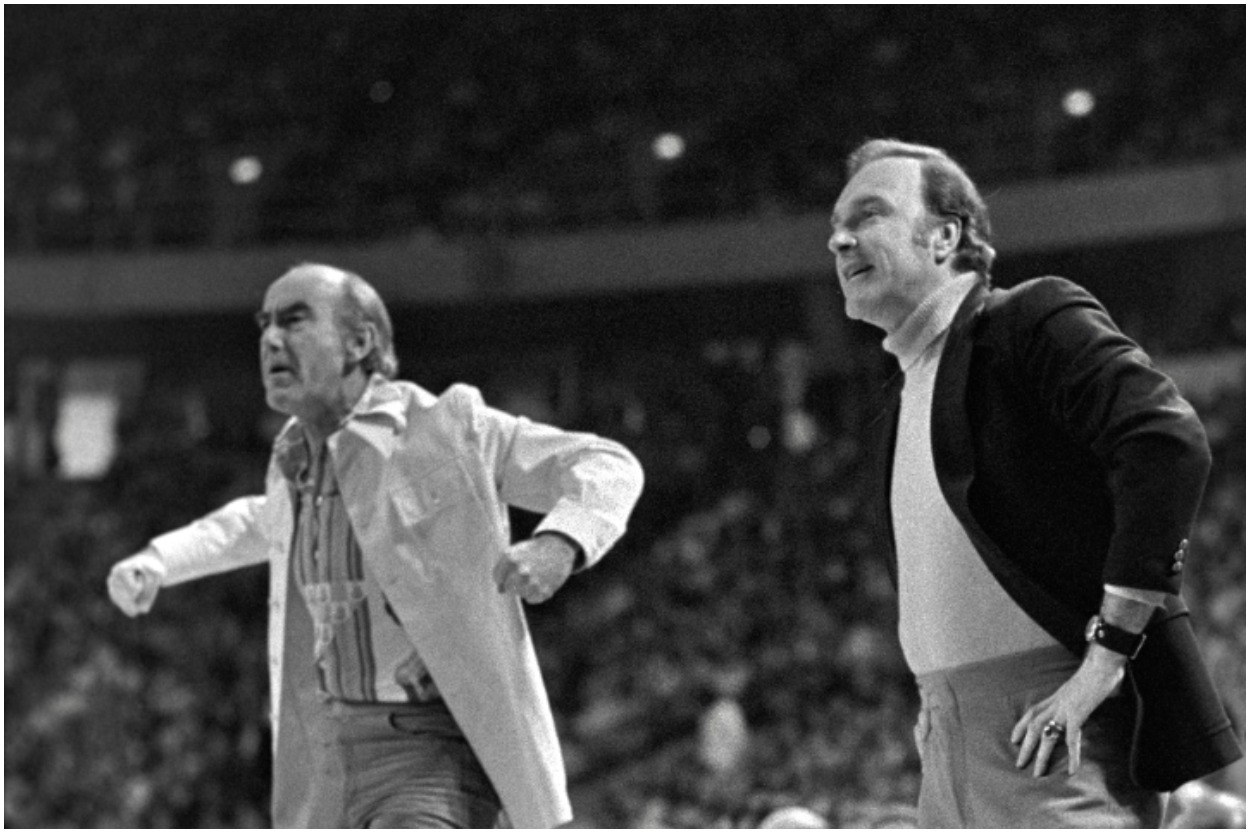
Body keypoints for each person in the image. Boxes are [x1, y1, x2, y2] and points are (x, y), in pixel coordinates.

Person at [107, 263, 645, 828]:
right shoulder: (293, 457)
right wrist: (160, 561)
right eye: (264, 324)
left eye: (294, 321)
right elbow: (255, 523)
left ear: (359, 341)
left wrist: (560, 542)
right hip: (325, 757)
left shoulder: (446, 427)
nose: (269, 339)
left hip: (431, 753)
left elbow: (606, 464)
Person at [827, 138, 1241, 827]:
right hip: (946, 739)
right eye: (836, 226)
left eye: (869, 215)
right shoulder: (901, 396)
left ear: (944, 236)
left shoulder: (1028, 318)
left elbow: (1165, 440)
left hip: (1054, 727)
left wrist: (1108, 654)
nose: (841, 239)